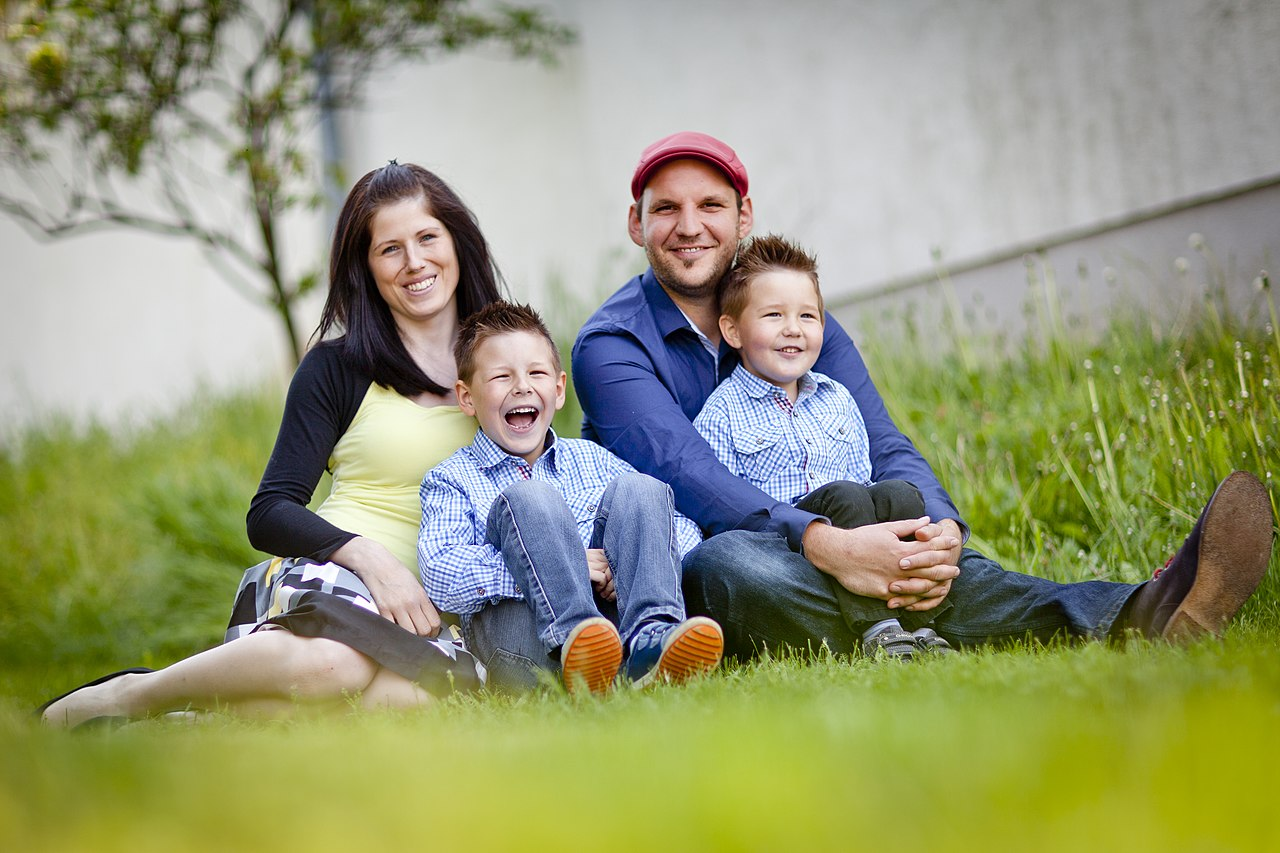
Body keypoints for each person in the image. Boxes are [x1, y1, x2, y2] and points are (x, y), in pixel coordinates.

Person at [571, 130, 1274, 659]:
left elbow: (881, 440)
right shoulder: (610, 345)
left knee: (928, 552)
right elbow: (689, 475)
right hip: (711, 561)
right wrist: (826, 543)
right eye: (666, 209)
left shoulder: (795, 317)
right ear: (636, 224)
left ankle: (1141, 609)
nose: (689, 226)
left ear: (743, 214)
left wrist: (941, 530)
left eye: (710, 205)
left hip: (838, 529)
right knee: (730, 566)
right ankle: (914, 624)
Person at [39, 161, 499, 728]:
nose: (414, 262)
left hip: (441, 607)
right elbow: (270, 511)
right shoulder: (338, 368)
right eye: (390, 249)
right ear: (366, 268)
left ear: (457, 241)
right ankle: (127, 696)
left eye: (427, 237)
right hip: (345, 581)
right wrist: (370, 558)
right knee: (333, 666)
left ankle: (199, 725)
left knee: (401, 704)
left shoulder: (506, 363)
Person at [418, 301, 723, 695]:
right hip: (524, 645)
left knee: (642, 488)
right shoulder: (452, 478)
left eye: (536, 373)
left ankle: (650, 640)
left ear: (559, 389)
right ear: (467, 397)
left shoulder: (593, 459)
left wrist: (624, 563)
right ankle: (578, 641)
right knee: (530, 498)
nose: (522, 386)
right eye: (501, 376)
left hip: (615, 628)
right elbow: (440, 573)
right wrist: (566, 566)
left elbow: (682, 529)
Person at [692, 233, 946, 659]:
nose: (793, 328)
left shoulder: (837, 398)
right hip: (790, 552)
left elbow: (865, 478)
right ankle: (878, 629)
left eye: (807, 316)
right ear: (732, 330)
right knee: (844, 495)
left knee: (899, 493)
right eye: (774, 315)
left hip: (862, 540)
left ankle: (921, 624)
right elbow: (722, 505)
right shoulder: (722, 412)